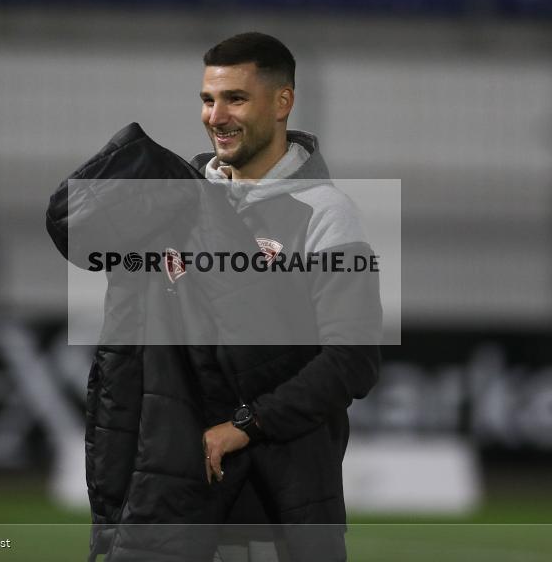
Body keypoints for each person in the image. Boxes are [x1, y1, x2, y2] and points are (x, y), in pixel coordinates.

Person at [46, 32, 382, 562]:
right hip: (167, 506)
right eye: (208, 99)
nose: (216, 115)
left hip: (273, 514)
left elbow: (351, 361)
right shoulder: (167, 206)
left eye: (236, 99)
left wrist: (246, 426)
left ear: (282, 102)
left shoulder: (325, 215)